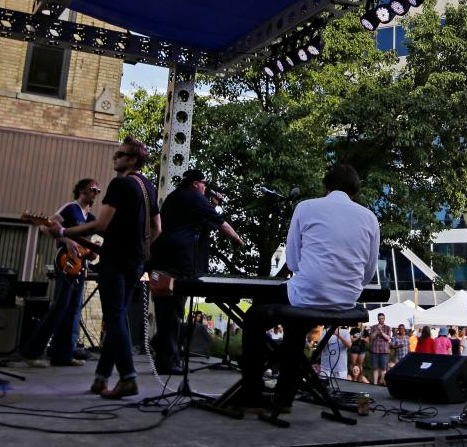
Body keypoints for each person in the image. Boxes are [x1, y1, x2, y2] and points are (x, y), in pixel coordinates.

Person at [236, 164, 380, 412]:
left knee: (254, 317)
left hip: (307, 292)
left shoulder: (306, 207)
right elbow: (367, 273)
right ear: (355, 192)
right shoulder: (370, 217)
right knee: (295, 325)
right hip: (347, 300)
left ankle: (251, 393)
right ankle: (284, 397)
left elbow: (292, 263)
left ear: (326, 186)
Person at [47, 137, 156, 400]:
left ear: (132, 160)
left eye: (120, 154)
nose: (114, 157)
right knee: (116, 317)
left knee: (115, 316)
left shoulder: (120, 184)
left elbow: (101, 225)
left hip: (116, 260)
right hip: (135, 261)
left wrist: (63, 231)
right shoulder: (148, 187)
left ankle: (128, 377)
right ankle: (101, 378)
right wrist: (143, 254)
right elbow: (157, 229)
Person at [149, 168, 244, 375]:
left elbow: (201, 222)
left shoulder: (179, 197)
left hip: (168, 261)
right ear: (195, 184)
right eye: (204, 183)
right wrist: (238, 240)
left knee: (170, 311)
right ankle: (167, 360)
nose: (205, 187)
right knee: (172, 311)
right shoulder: (192, 197)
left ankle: (163, 347)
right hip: (176, 263)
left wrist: (213, 205)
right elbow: (220, 223)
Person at [20, 178, 100, 367]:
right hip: (66, 263)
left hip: (80, 267)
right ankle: (32, 352)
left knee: (73, 310)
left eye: (98, 191)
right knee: (60, 307)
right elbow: (46, 227)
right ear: (82, 190)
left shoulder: (91, 219)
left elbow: (88, 250)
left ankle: (62, 354)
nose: (96, 193)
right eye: (92, 189)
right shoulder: (70, 208)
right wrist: (66, 240)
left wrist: (92, 251)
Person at [369, 313, 392, 385]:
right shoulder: (373, 327)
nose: (381, 320)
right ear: (378, 319)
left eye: (382, 318)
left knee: (383, 368)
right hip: (375, 351)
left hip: (384, 351)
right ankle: (375, 383)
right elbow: (371, 338)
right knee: (375, 368)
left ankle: (383, 383)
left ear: (384, 319)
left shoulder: (388, 327)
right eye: (379, 318)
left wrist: (381, 332)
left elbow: (388, 338)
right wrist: (377, 330)